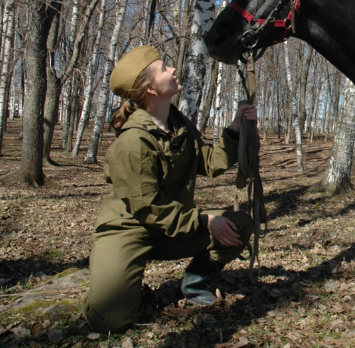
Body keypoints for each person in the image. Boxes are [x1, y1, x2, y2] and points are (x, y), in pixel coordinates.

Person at [80, 45, 257, 333]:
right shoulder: (132, 143)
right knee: (111, 320)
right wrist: (203, 220)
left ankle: (195, 280)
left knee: (240, 224)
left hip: (172, 228)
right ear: (149, 88)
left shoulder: (178, 124)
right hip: (129, 230)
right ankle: (111, 280)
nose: (173, 70)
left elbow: (210, 162)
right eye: (164, 68)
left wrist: (235, 128)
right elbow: (149, 208)